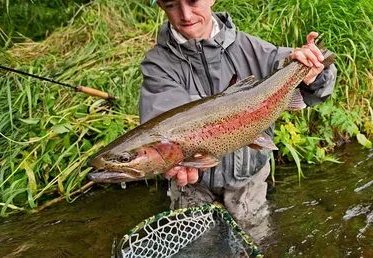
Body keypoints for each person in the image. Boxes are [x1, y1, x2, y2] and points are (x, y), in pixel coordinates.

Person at [139, 0, 337, 241]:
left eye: (193, 1)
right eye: (172, 5)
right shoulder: (158, 64)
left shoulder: (252, 49)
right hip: (192, 187)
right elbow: (160, 119)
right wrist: (170, 160)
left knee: (254, 240)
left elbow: (313, 85)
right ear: (160, 5)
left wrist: (314, 68)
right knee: (199, 247)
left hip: (248, 182)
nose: (185, 14)